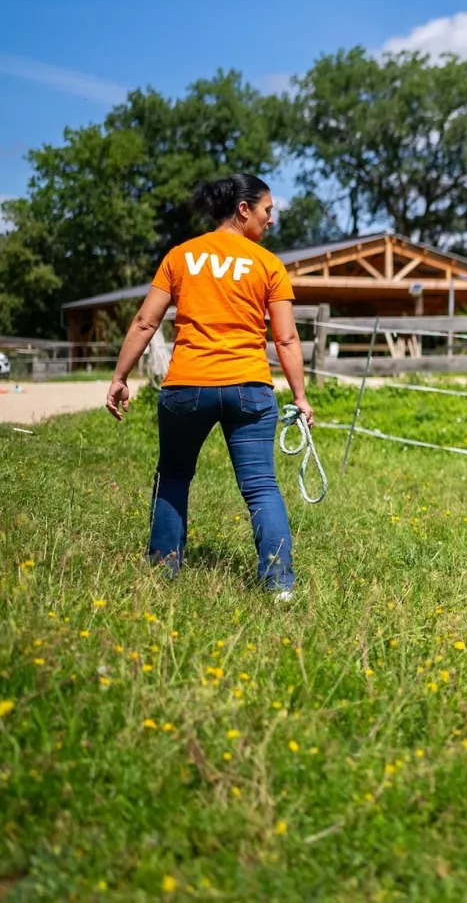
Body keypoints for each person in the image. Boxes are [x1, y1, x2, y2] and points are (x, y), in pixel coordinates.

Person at [105, 174, 314, 599]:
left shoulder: (181, 256)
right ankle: (279, 586)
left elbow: (146, 321)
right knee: (260, 486)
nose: (270, 220)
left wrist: (119, 377)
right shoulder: (268, 264)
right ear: (243, 210)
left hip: (187, 386)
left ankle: (163, 574)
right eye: (266, 211)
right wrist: (300, 396)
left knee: (174, 476)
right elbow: (286, 338)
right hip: (250, 389)